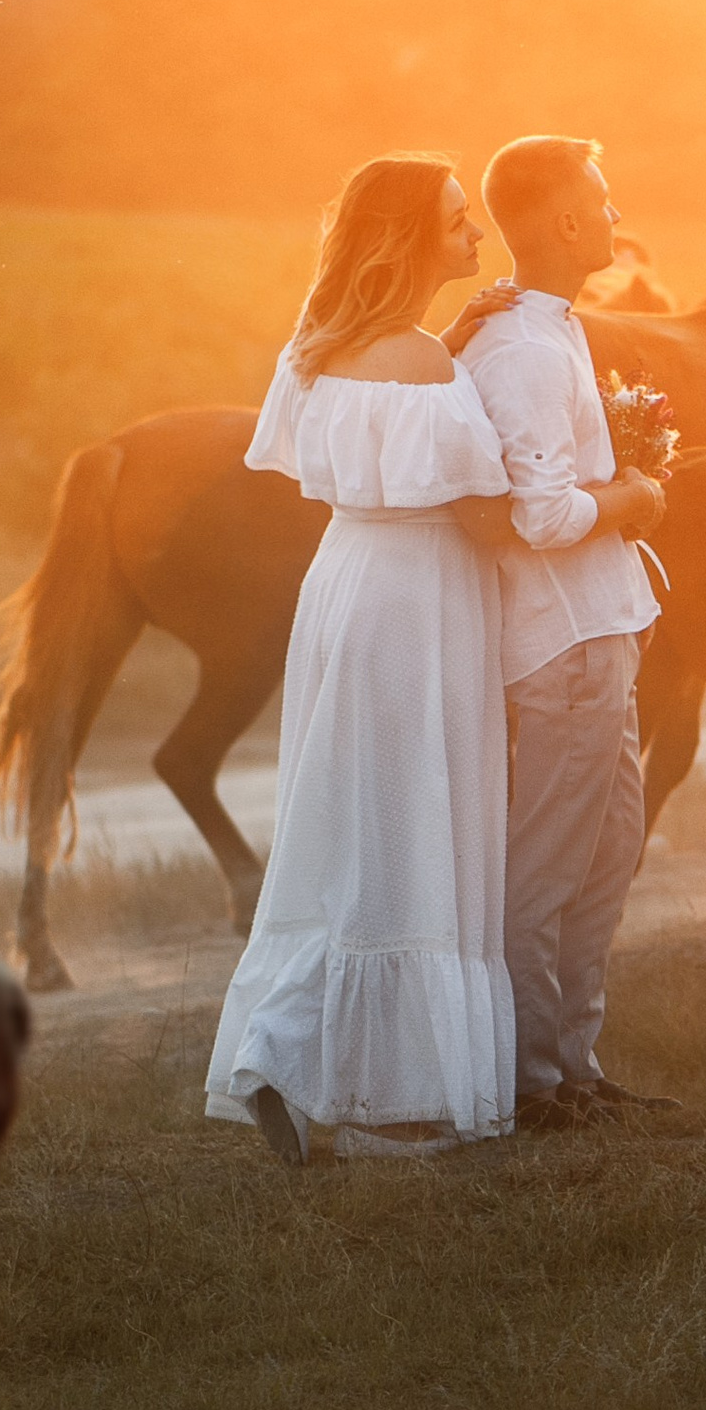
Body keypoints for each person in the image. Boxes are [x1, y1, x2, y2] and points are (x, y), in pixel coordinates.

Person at [204, 155, 527, 1164]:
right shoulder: (427, 367)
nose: (476, 237)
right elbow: (485, 509)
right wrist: (615, 498)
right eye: (457, 221)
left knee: (339, 822)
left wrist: (457, 342)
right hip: (420, 597)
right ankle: (401, 1101)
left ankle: (283, 1049)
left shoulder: (316, 348)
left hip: (346, 577)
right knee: (412, 821)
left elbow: (332, 453)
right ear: (410, 240)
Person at [459, 136, 673, 1129]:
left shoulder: (551, 330)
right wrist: (634, 492)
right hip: (565, 644)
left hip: (603, 631)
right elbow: (541, 515)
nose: (617, 209)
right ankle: (531, 1083)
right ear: (563, 221)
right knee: (547, 864)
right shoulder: (519, 348)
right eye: (603, 193)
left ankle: (575, 1066)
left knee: (609, 849)